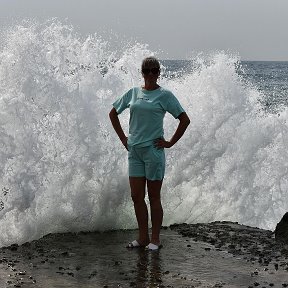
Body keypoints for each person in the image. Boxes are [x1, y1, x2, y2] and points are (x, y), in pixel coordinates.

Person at [109, 56, 190, 250]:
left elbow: (184, 120)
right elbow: (113, 113)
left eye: (155, 71)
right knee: (136, 196)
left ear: (159, 73)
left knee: (154, 196)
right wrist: (123, 139)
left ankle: (155, 239)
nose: (151, 74)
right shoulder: (133, 93)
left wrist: (169, 142)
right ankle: (143, 238)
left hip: (153, 152)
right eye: (148, 71)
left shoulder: (165, 96)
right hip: (134, 151)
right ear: (142, 73)